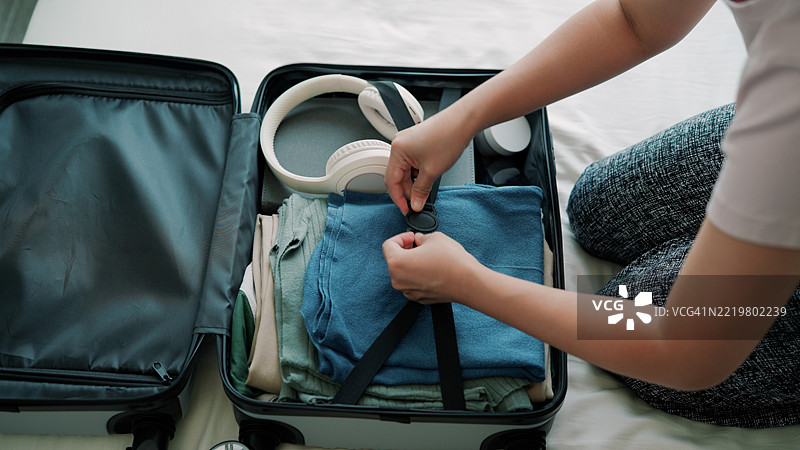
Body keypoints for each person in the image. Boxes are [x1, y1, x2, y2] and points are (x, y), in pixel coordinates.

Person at [380, 0, 800, 427]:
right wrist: (463, 118)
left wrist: (469, 282)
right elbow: (636, 20)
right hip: (778, 130)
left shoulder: (787, 115)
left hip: (787, 138)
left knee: (624, 309)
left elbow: (687, 348)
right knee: (596, 207)